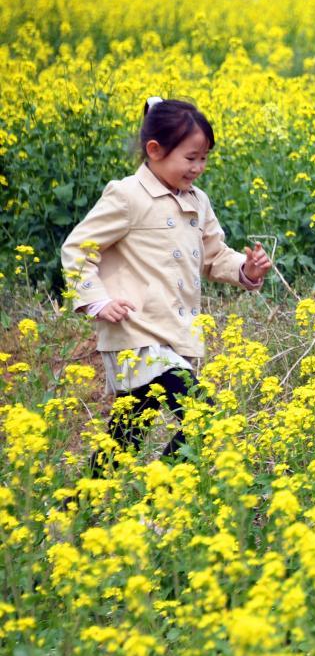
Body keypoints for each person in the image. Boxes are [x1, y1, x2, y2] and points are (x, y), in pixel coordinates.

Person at [61, 97, 272, 476]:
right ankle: (160, 496)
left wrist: (247, 269)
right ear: (154, 151)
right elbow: (79, 247)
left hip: (174, 335)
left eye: (204, 158)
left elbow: (213, 255)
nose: (198, 168)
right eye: (191, 158)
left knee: (126, 435)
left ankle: (80, 509)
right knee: (204, 416)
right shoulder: (127, 195)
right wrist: (96, 301)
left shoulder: (198, 201)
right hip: (136, 335)